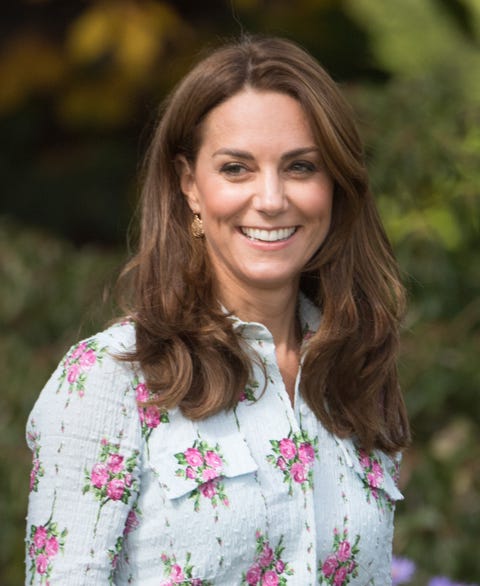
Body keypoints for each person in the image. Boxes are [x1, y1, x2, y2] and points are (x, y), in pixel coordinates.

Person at [25, 35, 410, 585]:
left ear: (335, 185)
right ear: (189, 186)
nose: (272, 199)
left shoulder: (354, 373)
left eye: (301, 167)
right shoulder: (110, 378)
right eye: (237, 169)